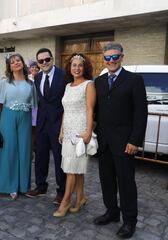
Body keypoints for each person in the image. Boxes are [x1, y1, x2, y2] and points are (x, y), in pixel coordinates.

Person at [93, 42, 148, 239]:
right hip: (104, 142)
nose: (111, 61)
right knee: (106, 181)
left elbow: (141, 114)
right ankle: (112, 212)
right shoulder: (98, 82)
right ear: (104, 59)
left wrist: (135, 140)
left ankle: (129, 221)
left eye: (115, 57)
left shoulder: (134, 80)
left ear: (122, 57)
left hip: (125, 143)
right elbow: (95, 111)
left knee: (126, 184)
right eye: (107, 57)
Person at [52, 53, 96, 217]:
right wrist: (62, 130)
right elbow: (65, 111)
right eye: (74, 65)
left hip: (80, 132)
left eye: (80, 65)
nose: (77, 68)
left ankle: (65, 202)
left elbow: (90, 110)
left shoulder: (89, 85)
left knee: (71, 169)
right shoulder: (67, 86)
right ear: (69, 68)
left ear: (85, 68)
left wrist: (88, 133)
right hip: (68, 131)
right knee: (76, 169)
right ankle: (80, 198)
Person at [0, 53, 37, 200]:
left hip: (25, 118)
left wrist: (35, 127)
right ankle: (10, 186)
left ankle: (23, 186)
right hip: (8, 117)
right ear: (9, 66)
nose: (16, 63)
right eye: (12, 62)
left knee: (25, 151)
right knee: (9, 151)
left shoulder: (31, 84)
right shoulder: (4, 83)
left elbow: (34, 106)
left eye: (18, 60)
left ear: (22, 63)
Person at [26, 48, 66, 205]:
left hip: (57, 124)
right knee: (41, 156)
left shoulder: (63, 75)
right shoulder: (37, 78)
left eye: (47, 60)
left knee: (59, 159)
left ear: (52, 59)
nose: (44, 63)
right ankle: (41, 186)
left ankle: (61, 192)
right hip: (41, 124)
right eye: (40, 61)